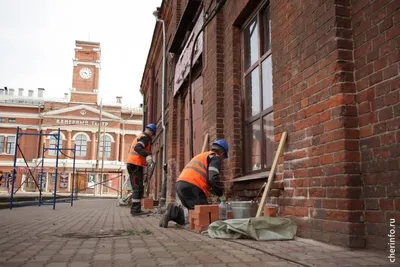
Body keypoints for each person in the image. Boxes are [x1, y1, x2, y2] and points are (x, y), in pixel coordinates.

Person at [159, 139, 228, 228]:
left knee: (194, 214)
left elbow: (207, 179)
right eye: (223, 157)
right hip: (192, 186)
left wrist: (212, 190)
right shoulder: (215, 157)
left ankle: (173, 212)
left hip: (181, 185)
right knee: (205, 214)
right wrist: (220, 193)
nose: (222, 160)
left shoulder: (203, 156)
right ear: (222, 153)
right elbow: (213, 178)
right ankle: (173, 212)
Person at [126, 123, 156, 216]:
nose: (152, 136)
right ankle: (135, 210)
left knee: (139, 187)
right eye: (153, 134)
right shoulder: (145, 138)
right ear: (151, 132)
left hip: (134, 165)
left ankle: (136, 209)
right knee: (137, 188)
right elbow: (138, 148)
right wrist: (147, 155)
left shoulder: (140, 136)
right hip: (135, 165)